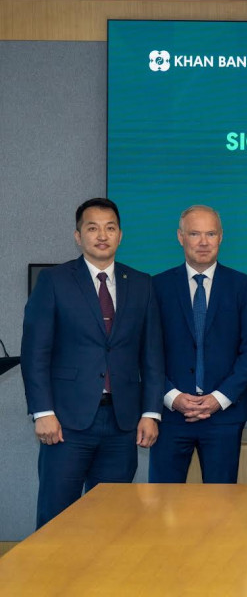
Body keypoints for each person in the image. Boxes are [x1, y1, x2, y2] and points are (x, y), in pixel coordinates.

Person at [21, 197, 164, 528]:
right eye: (93, 228)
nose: (102, 235)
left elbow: (152, 355)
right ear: (78, 236)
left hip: (122, 423)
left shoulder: (141, 283)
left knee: (112, 521)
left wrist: (151, 413)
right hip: (66, 423)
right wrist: (42, 412)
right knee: (57, 517)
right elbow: (35, 352)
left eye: (110, 228)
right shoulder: (54, 281)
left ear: (120, 235)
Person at [149, 205, 247, 484]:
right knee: (163, 503)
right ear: (180, 237)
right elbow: (147, 351)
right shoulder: (156, 287)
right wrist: (172, 396)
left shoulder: (243, 285)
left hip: (224, 416)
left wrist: (219, 398)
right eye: (194, 234)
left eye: (210, 234)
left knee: (221, 504)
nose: (203, 242)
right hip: (171, 415)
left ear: (221, 237)